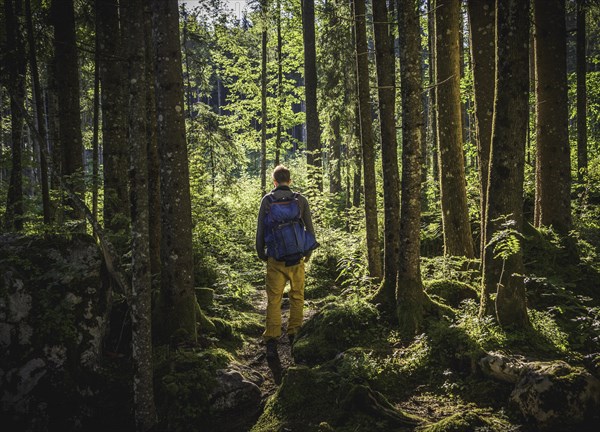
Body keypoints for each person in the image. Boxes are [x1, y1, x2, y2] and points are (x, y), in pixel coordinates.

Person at [256, 165, 316, 359]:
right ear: (289, 181)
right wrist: (307, 252)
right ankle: (294, 332)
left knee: (274, 299)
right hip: (296, 258)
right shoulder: (300, 200)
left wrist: (261, 252)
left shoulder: (267, 200)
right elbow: (309, 228)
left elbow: (261, 231)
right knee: (297, 296)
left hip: (275, 258)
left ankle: (272, 337)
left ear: (274, 181)